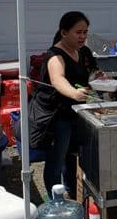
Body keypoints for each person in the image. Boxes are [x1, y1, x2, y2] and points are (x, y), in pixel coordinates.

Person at [28, 11, 99, 198]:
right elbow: (58, 79)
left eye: (85, 32)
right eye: (78, 32)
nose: (83, 36)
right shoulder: (55, 56)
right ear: (64, 32)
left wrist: (100, 79)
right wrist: (74, 93)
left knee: (72, 156)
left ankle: (71, 191)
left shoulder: (83, 51)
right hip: (56, 116)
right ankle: (54, 199)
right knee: (56, 159)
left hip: (77, 113)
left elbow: (93, 72)